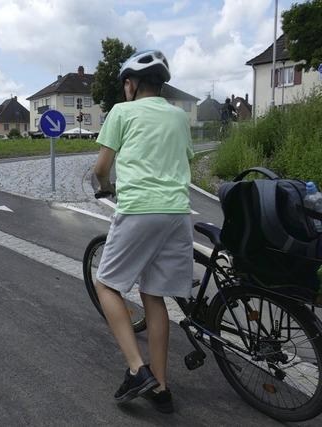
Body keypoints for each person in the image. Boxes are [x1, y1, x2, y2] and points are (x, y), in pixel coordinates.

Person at [92, 50, 193, 414]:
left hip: (140, 211)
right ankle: (162, 388)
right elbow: (184, 159)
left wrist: (103, 186)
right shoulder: (180, 116)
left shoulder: (122, 112)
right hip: (178, 213)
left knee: (107, 285)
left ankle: (137, 369)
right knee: (154, 296)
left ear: (131, 84)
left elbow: (102, 167)